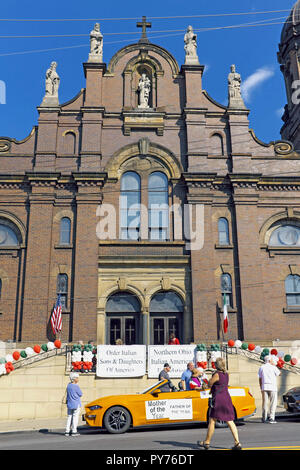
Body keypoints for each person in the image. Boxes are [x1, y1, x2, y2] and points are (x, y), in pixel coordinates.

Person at [198, 357, 242, 450]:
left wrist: (207, 380)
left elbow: (209, 384)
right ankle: (237, 443)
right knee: (230, 421)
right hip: (226, 398)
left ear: (216, 365)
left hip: (218, 399)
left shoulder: (217, 374)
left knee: (212, 421)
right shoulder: (226, 374)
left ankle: (207, 442)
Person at [258, 355, 281, 424]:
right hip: (272, 387)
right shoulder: (273, 367)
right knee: (273, 403)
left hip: (264, 387)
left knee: (265, 403)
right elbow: (279, 374)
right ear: (270, 360)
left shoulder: (261, 367)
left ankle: (264, 418)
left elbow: (260, 378)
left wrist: (261, 387)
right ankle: (271, 417)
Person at [65, 372, 83, 436]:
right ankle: (74, 431)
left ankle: (67, 431)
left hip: (70, 403)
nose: (78, 379)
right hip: (76, 404)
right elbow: (80, 394)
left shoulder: (68, 385)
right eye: (77, 378)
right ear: (74, 379)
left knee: (69, 417)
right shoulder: (76, 386)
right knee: (75, 417)